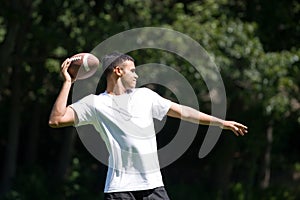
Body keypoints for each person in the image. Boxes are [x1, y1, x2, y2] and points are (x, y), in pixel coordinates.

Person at [49, 52, 248, 200]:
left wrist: (220, 122)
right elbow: (56, 119)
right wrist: (69, 82)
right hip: (119, 190)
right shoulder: (95, 103)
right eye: (133, 71)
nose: (136, 76)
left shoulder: (146, 96)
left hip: (153, 187)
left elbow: (184, 112)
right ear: (118, 71)